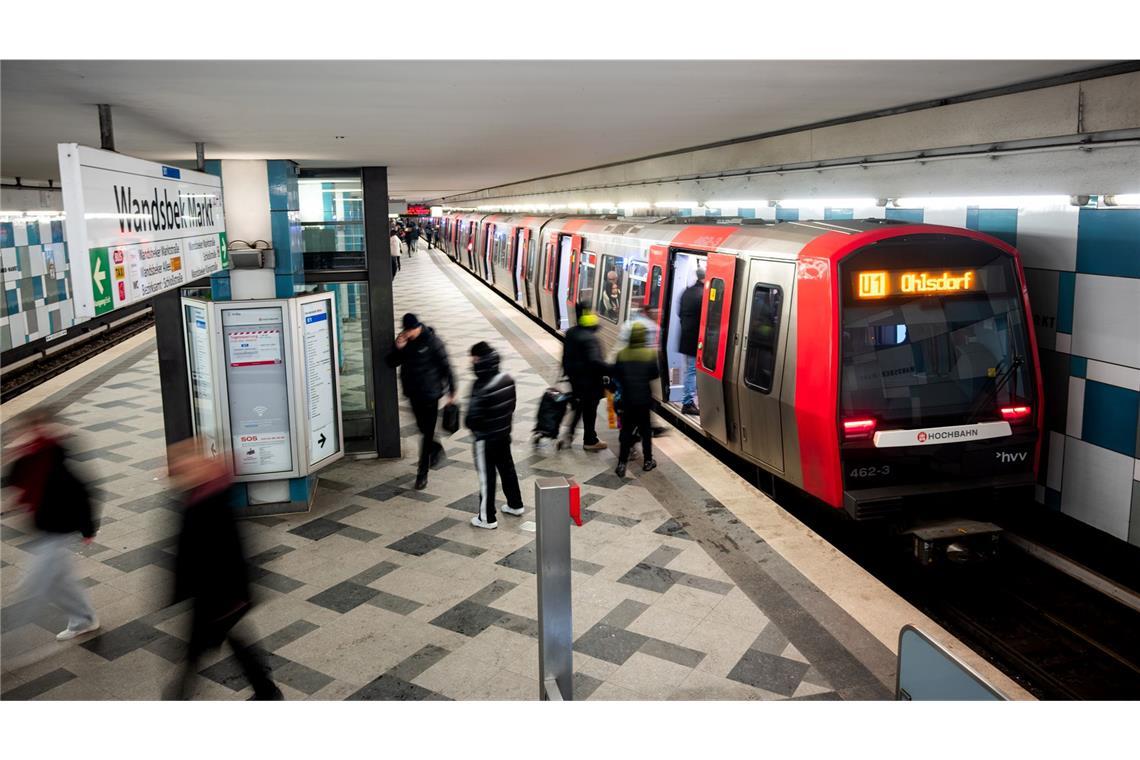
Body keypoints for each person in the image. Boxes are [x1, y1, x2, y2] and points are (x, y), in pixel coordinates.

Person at [165, 439, 282, 701]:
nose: (178, 471)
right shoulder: (201, 493)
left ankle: (178, 698)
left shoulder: (209, 501)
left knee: (200, 648)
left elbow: (223, 551)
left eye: (182, 464)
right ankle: (266, 691)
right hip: (216, 592)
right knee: (226, 642)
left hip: (218, 592)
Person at [2, 407, 100, 654]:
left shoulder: (54, 456)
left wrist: (88, 530)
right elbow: (15, 481)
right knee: (59, 581)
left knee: (34, 584)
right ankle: (83, 619)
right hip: (44, 529)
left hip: (59, 530)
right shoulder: (28, 454)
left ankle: (10, 647)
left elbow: (83, 494)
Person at [386, 313, 456, 489]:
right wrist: (398, 348)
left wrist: (452, 392)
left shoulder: (433, 342)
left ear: (417, 328)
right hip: (413, 394)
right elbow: (391, 362)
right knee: (423, 428)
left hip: (431, 394)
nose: (407, 333)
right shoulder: (404, 341)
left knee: (426, 434)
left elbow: (446, 367)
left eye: (409, 330)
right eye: (405, 330)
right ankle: (435, 447)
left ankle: (422, 474)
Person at [465, 341, 525, 529]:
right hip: (504, 435)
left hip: (485, 440)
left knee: (487, 478)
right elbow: (512, 407)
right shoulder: (507, 379)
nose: (471, 361)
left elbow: (471, 419)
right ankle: (515, 505)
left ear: (479, 359)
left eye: (473, 358)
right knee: (508, 470)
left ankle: (486, 518)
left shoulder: (480, 386)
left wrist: (477, 429)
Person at [610, 322, 660, 477]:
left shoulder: (622, 354)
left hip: (626, 400)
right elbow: (654, 374)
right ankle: (648, 461)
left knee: (625, 432)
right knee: (645, 432)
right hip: (643, 400)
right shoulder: (650, 354)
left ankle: (621, 464)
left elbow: (616, 375)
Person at [559, 301, 609, 451]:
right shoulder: (590, 338)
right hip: (590, 383)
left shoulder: (571, 332)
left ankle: (569, 435)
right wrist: (612, 369)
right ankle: (590, 440)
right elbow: (596, 362)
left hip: (575, 380)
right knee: (589, 410)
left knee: (580, 406)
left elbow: (565, 357)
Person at [677, 268, 705, 415]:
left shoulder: (687, 292)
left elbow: (679, 313)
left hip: (687, 337)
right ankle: (687, 403)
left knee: (691, 370)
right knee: (692, 371)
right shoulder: (703, 294)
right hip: (696, 339)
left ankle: (691, 400)